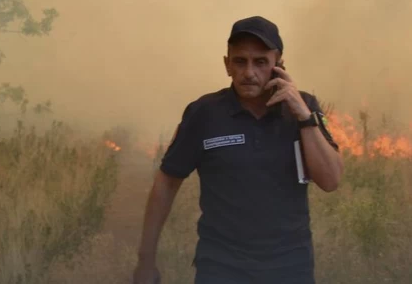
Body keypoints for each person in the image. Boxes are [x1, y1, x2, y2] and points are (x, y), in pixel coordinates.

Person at [132, 16, 344, 284]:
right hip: (221, 267)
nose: (249, 72)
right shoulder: (204, 113)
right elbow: (167, 182)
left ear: (279, 65)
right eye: (240, 61)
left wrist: (303, 115)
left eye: (260, 62)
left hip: (290, 266)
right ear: (227, 65)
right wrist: (146, 260)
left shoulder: (304, 107)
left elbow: (331, 181)